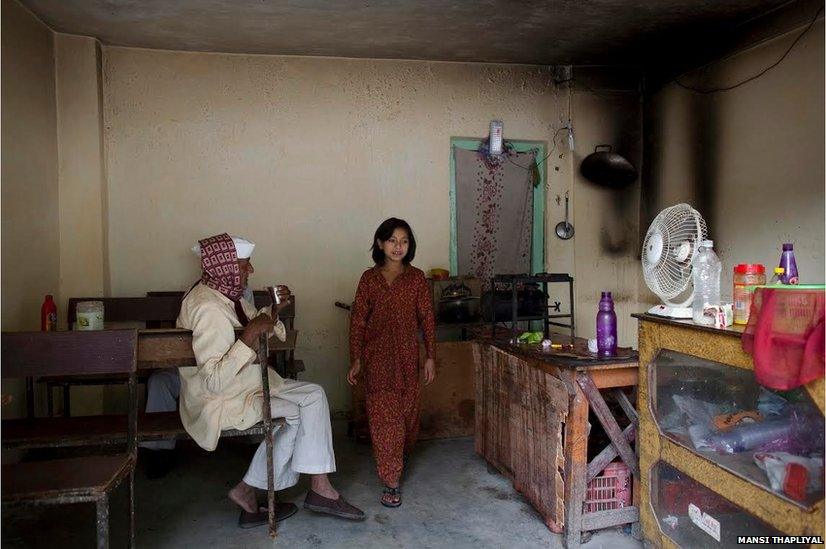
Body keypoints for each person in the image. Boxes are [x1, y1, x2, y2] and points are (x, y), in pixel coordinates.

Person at [154, 233, 365, 528]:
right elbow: (214, 381)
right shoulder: (207, 308)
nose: (250, 271)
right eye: (244, 264)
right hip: (219, 402)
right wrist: (249, 337)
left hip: (244, 387)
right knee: (299, 411)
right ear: (225, 266)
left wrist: (275, 311)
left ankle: (302, 488)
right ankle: (296, 490)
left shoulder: (225, 294)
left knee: (313, 396)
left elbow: (258, 322)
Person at [347, 218, 437, 508]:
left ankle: (397, 456)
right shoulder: (368, 279)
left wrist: (431, 357)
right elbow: (358, 321)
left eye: (404, 241)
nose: (398, 246)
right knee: (386, 423)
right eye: (393, 240)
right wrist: (356, 359)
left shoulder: (417, 279)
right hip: (378, 363)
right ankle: (391, 481)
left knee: (408, 420)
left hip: (409, 361)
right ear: (380, 243)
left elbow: (427, 320)